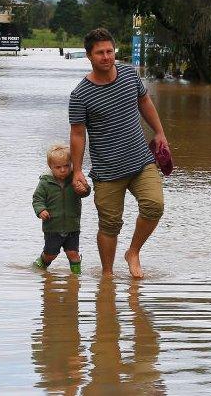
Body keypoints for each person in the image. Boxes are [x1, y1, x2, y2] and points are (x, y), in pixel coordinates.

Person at [69, 28, 169, 279]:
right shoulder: (80, 94)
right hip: (107, 170)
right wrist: (78, 170)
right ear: (89, 56)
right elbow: (78, 134)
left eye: (109, 51)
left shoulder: (128, 74)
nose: (106, 57)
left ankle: (133, 251)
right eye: (100, 53)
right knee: (110, 225)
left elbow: (144, 102)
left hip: (141, 161)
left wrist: (159, 132)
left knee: (154, 205)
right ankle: (107, 276)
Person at [32, 144, 91, 274]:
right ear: (50, 167)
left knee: (73, 254)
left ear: (71, 164)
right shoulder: (45, 182)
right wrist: (41, 210)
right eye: (58, 167)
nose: (63, 170)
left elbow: (85, 193)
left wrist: (84, 189)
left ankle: (76, 277)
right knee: (50, 255)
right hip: (52, 226)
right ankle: (39, 266)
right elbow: (37, 199)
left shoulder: (75, 179)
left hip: (72, 226)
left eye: (66, 166)